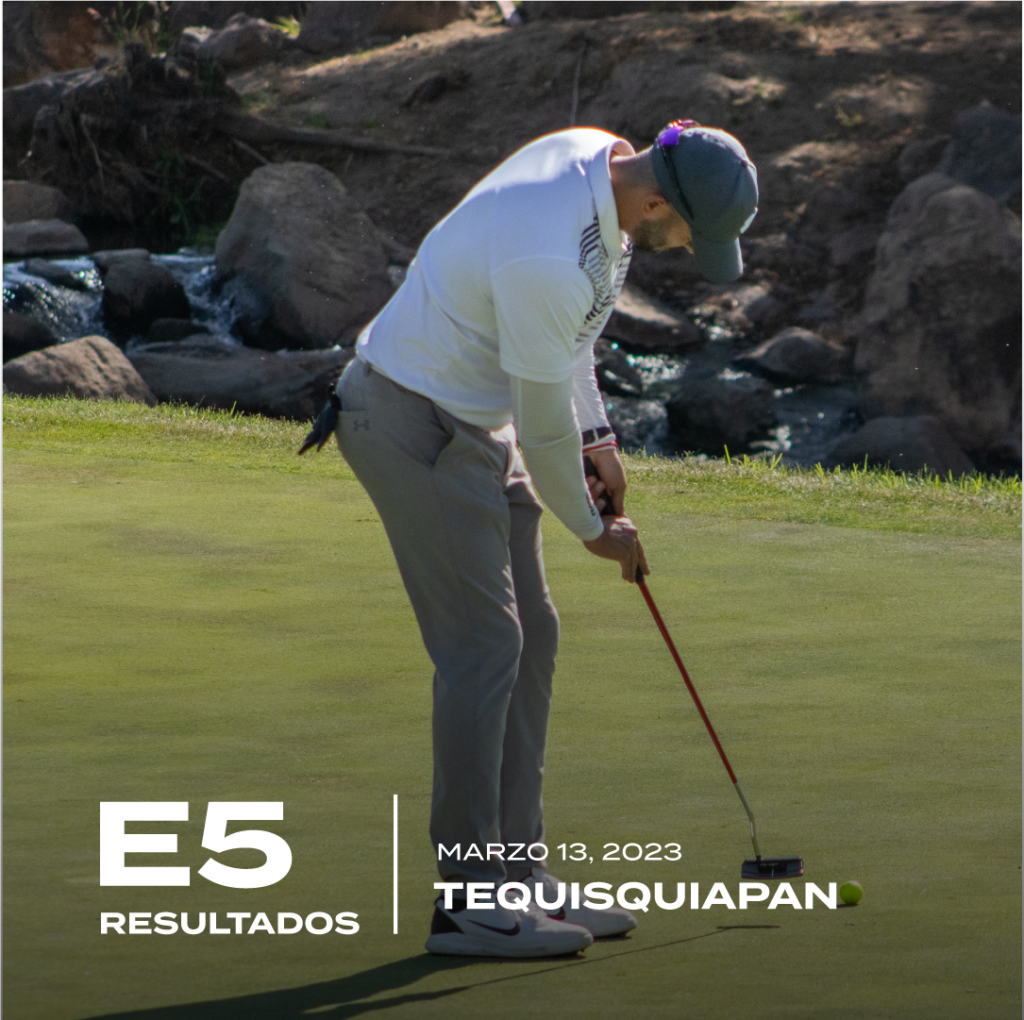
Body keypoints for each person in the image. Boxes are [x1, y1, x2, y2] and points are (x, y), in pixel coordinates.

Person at [303, 120, 758, 958]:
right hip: (409, 422)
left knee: (533, 634)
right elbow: (544, 430)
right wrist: (592, 528)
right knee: (484, 647)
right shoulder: (550, 250)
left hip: (474, 422)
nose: (688, 250)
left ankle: (518, 871)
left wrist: (600, 438)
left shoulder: (599, 163)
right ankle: (469, 901)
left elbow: (570, 343)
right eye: (691, 236)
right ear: (657, 203)